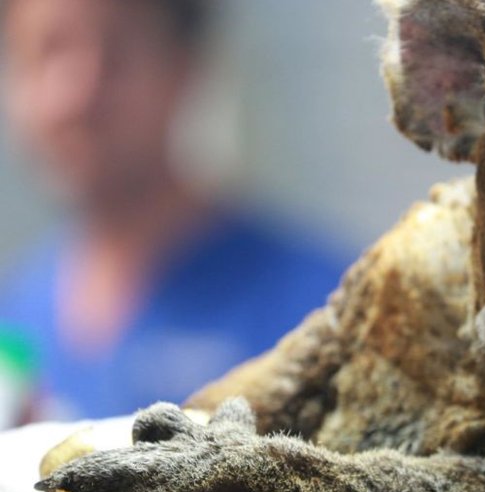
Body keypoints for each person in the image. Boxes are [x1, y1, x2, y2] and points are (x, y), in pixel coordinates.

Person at [0, 0, 351, 423]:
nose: (76, 94)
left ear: (185, 67)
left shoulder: (324, 310)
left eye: (115, 54)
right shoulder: (16, 318)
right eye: (47, 50)